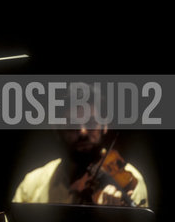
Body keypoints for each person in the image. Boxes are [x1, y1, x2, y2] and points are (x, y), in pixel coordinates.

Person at [12, 84, 149, 207]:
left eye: (91, 123)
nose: (83, 132)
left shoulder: (129, 180)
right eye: (72, 124)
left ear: (104, 125)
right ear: (57, 128)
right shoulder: (32, 184)